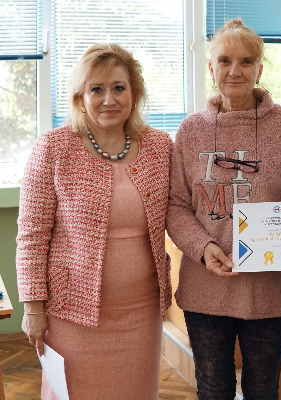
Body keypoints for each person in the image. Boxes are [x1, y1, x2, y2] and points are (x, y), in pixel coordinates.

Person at [167, 19, 281, 400]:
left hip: (271, 291)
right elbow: (176, 206)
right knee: (213, 389)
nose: (235, 70)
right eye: (225, 60)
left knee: (262, 389)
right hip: (206, 288)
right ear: (210, 67)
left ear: (260, 69)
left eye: (246, 61)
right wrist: (204, 248)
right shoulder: (190, 131)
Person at [16, 43, 172, 399]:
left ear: (134, 93)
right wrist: (33, 308)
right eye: (96, 89)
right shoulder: (53, 148)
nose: (108, 99)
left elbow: (180, 209)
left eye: (119, 87)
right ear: (80, 97)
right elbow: (32, 236)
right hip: (72, 314)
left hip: (142, 312)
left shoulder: (160, 146)